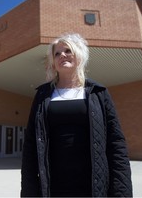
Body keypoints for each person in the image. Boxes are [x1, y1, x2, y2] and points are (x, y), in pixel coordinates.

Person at [21, 33, 133, 197]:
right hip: (54, 186)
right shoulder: (43, 95)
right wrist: (29, 192)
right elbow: (30, 145)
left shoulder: (98, 93)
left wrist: (122, 193)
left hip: (92, 185)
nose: (62, 55)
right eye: (57, 53)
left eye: (67, 50)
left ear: (79, 56)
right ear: (53, 62)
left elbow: (116, 143)